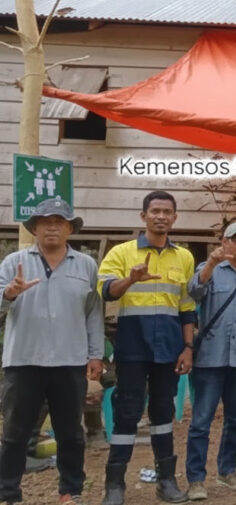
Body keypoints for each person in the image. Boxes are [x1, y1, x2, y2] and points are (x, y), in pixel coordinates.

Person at [0, 199, 103, 505]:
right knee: (15, 432)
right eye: (45, 222)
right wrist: (9, 293)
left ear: (70, 229)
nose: (52, 227)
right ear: (34, 228)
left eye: (59, 222)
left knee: (70, 433)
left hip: (69, 361)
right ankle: (8, 493)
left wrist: (95, 354)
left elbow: (93, 312)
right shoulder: (14, 262)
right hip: (24, 360)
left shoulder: (86, 265)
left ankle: (70, 491)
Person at [98, 190, 196, 505]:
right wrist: (130, 280)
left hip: (169, 348)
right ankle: (115, 486)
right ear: (143, 216)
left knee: (163, 412)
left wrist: (188, 347)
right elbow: (106, 291)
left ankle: (166, 481)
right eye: (155, 211)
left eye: (167, 212)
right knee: (127, 413)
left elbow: (187, 307)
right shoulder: (121, 253)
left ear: (174, 217)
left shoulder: (184, 257)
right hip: (132, 347)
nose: (161, 217)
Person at [184, 222, 236, 500]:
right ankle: (196, 479)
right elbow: (194, 292)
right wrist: (211, 263)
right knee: (201, 421)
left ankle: (227, 470)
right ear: (224, 242)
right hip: (210, 358)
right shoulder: (209, 269)